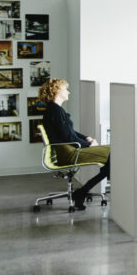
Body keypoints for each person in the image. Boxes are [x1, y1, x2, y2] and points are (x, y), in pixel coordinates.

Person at [39, 78, 111, 211]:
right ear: (56, 91)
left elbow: (70, 132)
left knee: (112, 156)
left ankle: (83, 191)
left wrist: (87, 138)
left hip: (67, 149)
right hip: (69, 153)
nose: (69, 92)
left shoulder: (54, 109)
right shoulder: (55, 111)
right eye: (65, 89)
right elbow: (69, 137)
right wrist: (89, 146)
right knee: (113, 153)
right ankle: (83, 191)